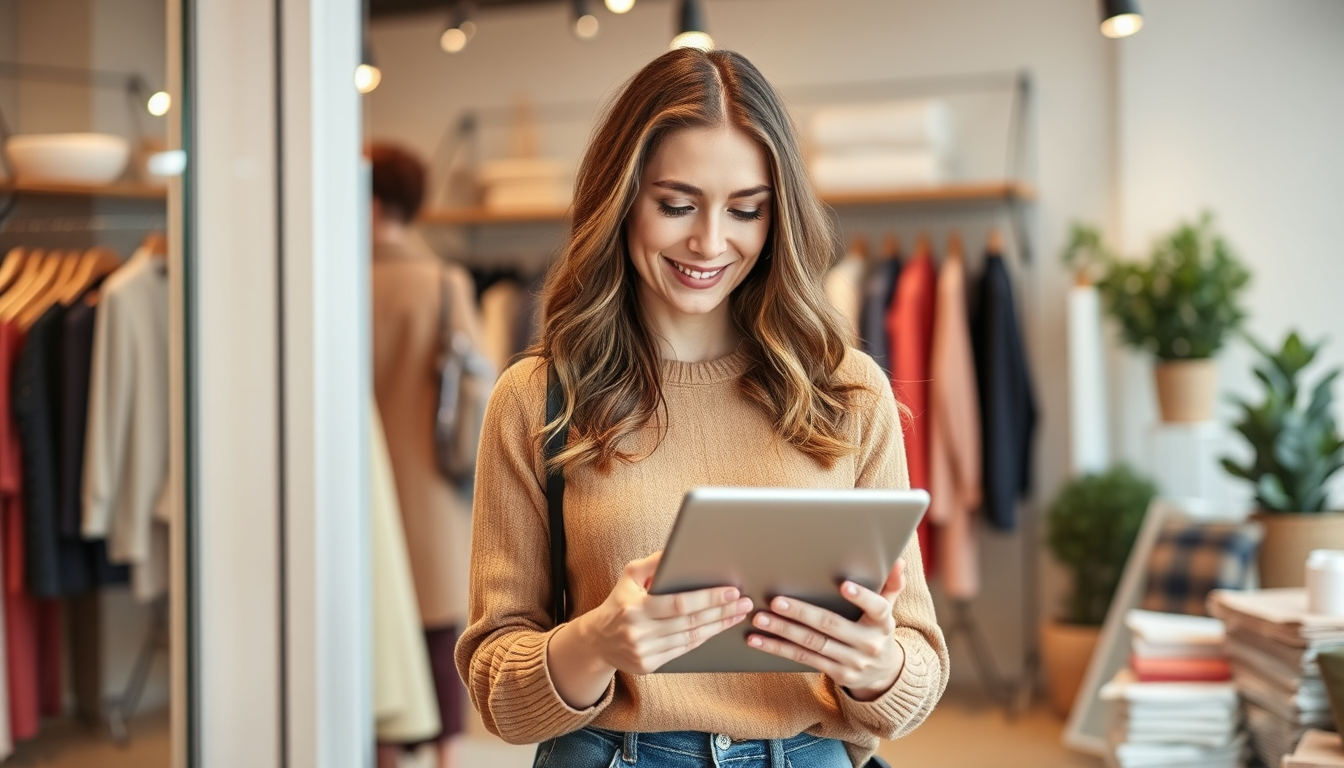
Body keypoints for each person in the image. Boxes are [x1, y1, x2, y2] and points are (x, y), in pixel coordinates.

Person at [455, 48, 949, 768]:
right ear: (621, 200)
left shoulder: (848, 390)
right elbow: (497, 689)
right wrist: (596, 642)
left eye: (746, 210)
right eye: (676, 205)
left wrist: (875, 665)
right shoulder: (537, 399)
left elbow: (920, 661)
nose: (711, 242)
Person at [369, 142, 479, 768]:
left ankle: (384, 751)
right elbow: (481, 389)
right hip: (429, 483)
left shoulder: (331, 277)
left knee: (372, 624)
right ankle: (448, 757)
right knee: (439, 631)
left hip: (356, 487)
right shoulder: (442, 283)